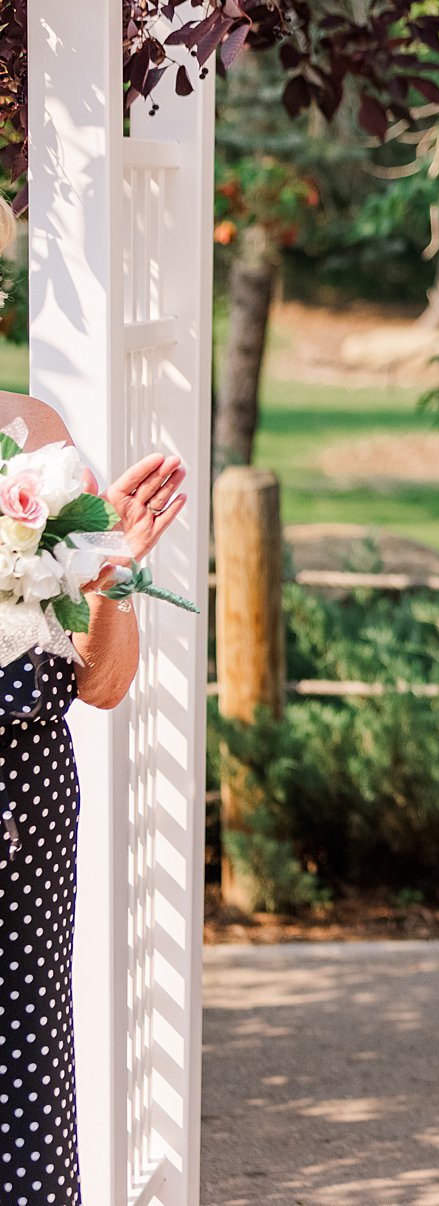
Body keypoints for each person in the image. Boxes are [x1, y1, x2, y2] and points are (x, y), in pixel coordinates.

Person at [0, 361, 189, 1200]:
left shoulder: (38, 434)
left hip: (31, 807)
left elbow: (103, 685)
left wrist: (106, 569)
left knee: (26, 1061)